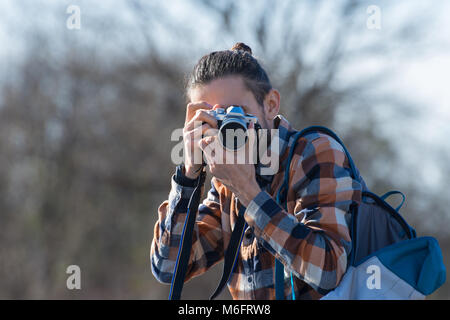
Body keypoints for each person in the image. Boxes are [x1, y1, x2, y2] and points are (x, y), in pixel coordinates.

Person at [151, 42, 362, 300]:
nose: (227, 131)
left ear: (271, 104)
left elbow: (329, 269)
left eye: (237, 115)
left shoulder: (313, 152)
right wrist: (188, 175)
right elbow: (168, 268)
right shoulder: (225, 183)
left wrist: (250, 194)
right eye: (212, 120)